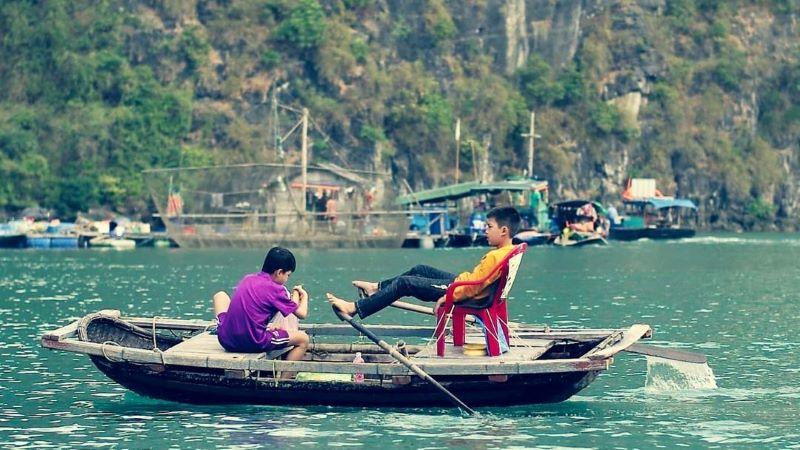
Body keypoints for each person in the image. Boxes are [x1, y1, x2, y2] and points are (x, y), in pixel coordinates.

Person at [326, 206, 521, 320]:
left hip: (466, 292)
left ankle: (355, 307)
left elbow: (476, 286)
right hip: (467, 285)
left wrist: (448, 297)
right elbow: (478, 282)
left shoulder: (495, 256)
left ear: (503, 231)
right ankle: (377, 288)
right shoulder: (509, 250)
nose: (485, 230)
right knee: (420, 269)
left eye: (489, 227)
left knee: (406, 283)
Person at [212, 247, 310, 379]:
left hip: (226, 339)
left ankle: (224, 327)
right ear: (279, 272)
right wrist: (303, 294)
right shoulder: (276, 289)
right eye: (288, 275)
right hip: (253, 341)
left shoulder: (248, 279)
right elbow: (302, 314)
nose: (287, 279)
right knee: (303, 339)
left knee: (220, 296)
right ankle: (283, 382)